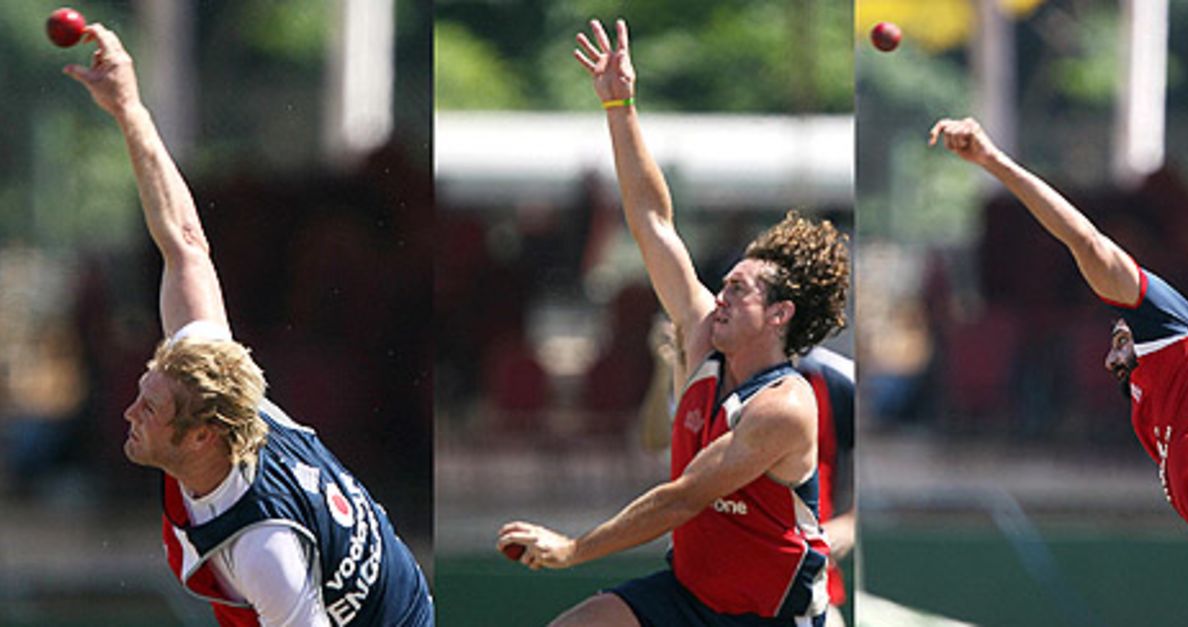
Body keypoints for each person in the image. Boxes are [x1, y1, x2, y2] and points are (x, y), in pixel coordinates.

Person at [65, 25, 433, 626]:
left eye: (150, 410)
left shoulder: (264, 551)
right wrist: (129, 110)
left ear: (202, 436)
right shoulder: (213, 380)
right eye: (142, 396)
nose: (129, 412)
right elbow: (185, 244)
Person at [497, 18, 850, 627]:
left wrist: (575, 549)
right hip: (690, 597)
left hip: (771, 619)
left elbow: (686, 497)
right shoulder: (701, 337)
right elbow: (654, 222)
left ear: (779, 315)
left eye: (737, 290)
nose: (719, 297)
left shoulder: (784, 407)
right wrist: (619, 105)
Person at [932, 117, 1188, 626]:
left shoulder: (1173, 327)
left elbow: (1087, 242)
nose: (1110, 357)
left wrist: (992, 162)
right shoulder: (1152, 415)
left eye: (1119, 338)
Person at [637, 317, 857, 627]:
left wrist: (850, 524)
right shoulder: (712, 373)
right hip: (709, 592)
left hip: (802, 597)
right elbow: (656, 440)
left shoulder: (834, 380)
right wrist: (667, 368)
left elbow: (883, 459)